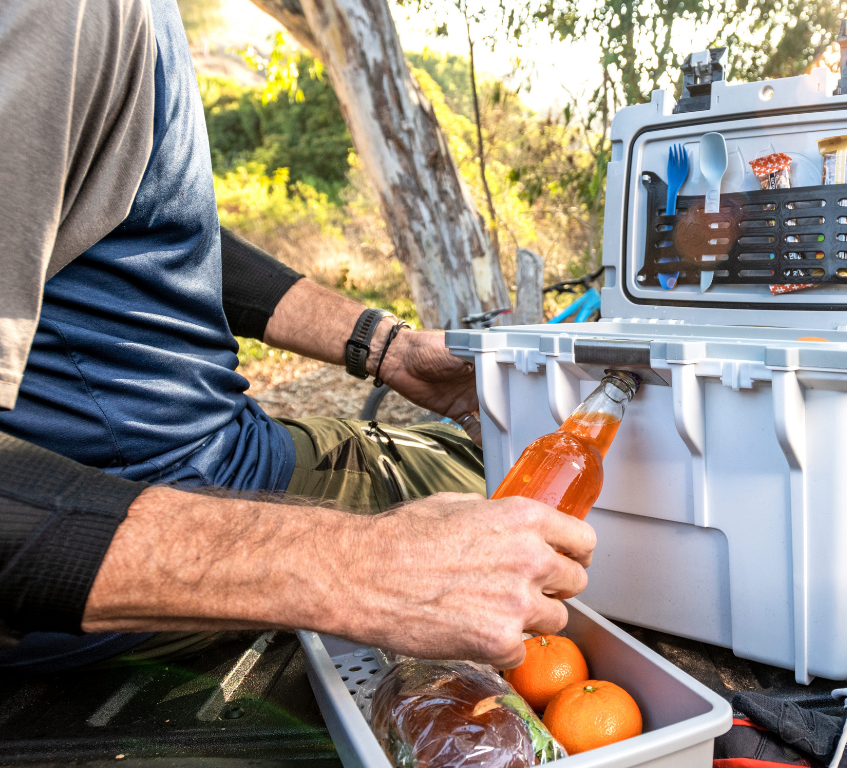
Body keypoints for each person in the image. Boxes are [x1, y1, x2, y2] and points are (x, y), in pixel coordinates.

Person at [0, 0, 591, 672]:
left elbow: (124, 215)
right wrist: (359, 568)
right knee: (525, 513)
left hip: (221, 452)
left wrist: (385, 345)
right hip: (128, 539)